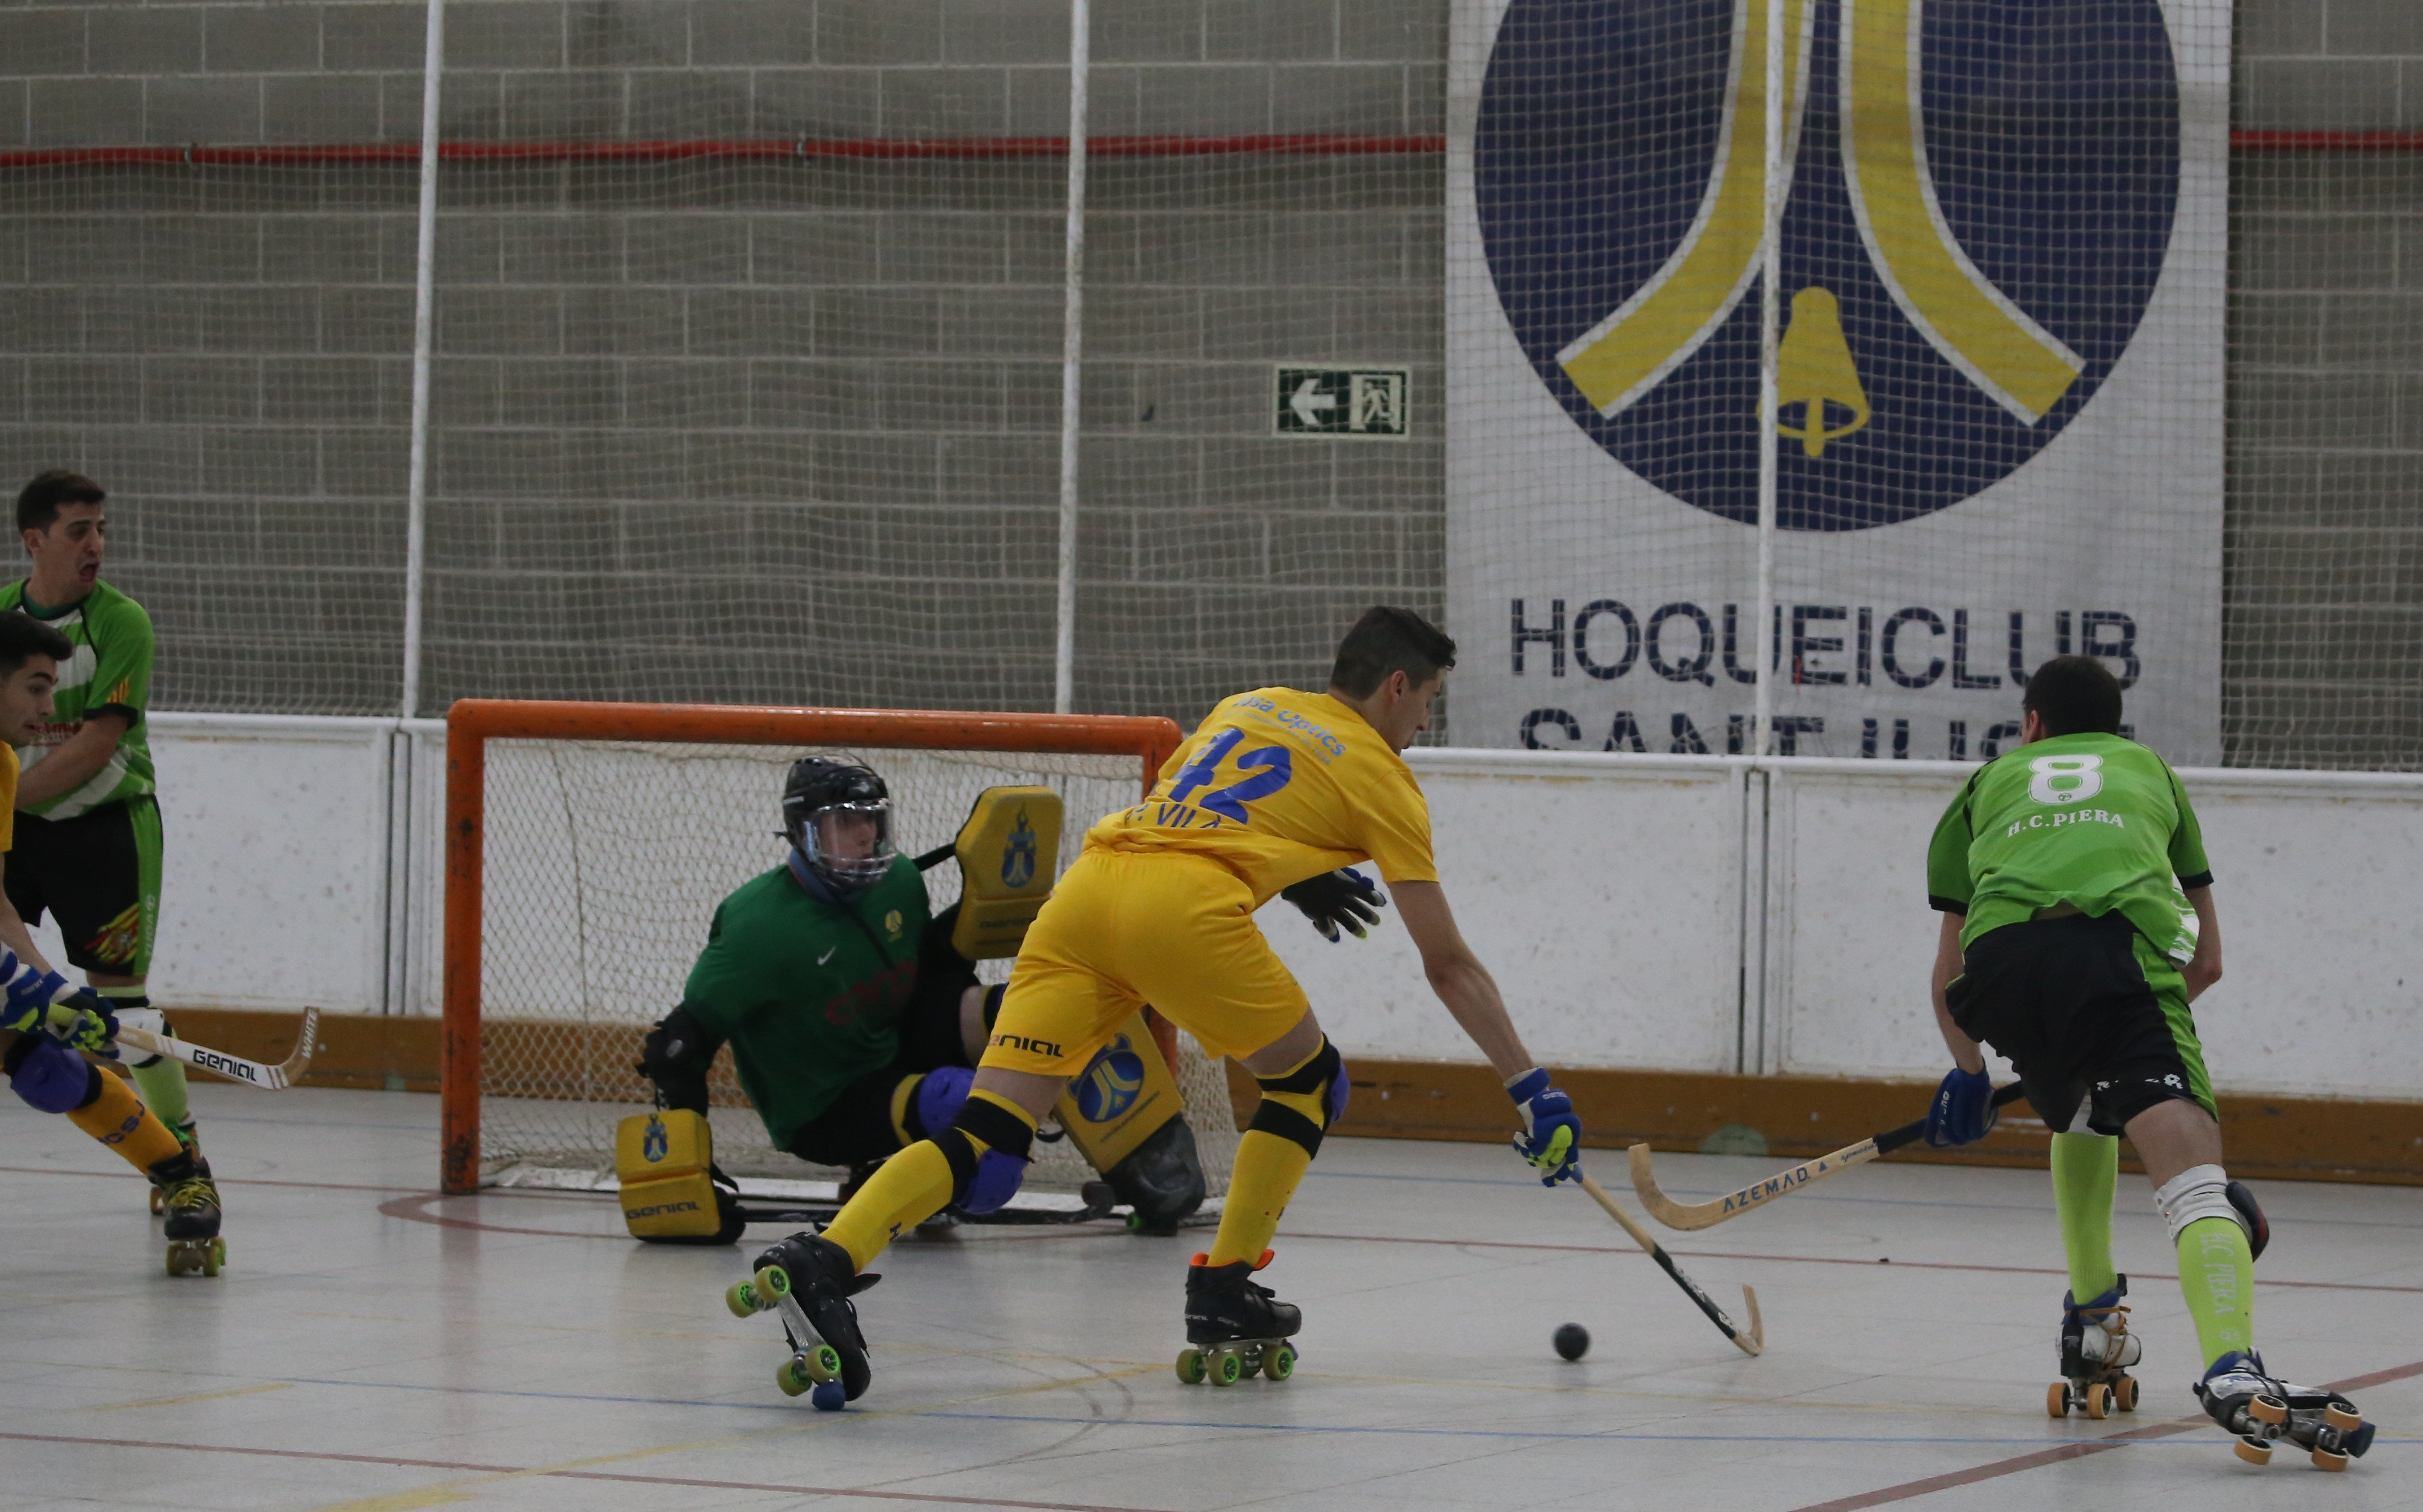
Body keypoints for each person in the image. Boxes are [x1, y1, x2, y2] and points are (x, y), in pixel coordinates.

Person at [741, 606, 1586, 1402]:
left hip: (1087, 894)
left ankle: (826, 1257)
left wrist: (1303, 877)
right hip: (1180, 912)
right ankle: (1224, 1287)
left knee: (986, 1129)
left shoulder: (1249, 705)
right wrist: (1530, 1086)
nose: (1425, 721)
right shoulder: (1385, 777)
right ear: (1396, 687)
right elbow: (1448, 964)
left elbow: (1199, 810)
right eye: (1429, 699)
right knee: (1308, 1082)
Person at [1921, 654, 2370, 1467]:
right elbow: (2207, 963)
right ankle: (2232, 1366)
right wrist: (2131, 1039)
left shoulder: (1985, 783)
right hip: (2118, 962)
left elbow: (1950, 979)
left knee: (2080, 1117)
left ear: (2031, 726)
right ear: (2116, 730)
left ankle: (2092, 1324)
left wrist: (1969, 1074)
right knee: (2194, 1182)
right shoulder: (2152, 771)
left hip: (2002, 970)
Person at [637, 757, 1206, 1241]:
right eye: (845, 822)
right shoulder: (757, 927)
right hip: (826, 1105)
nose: (865, 835)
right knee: (964, 1105)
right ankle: (917, 1182)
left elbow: (931, 973)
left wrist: (982, 916)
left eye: (872, 820)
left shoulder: (899, 881)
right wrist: (689, 1179)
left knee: (1062, 1007)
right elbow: (678, 1048)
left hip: (893, 1041)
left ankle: (1153, 1171)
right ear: (804, 831)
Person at [0, 610, 222, 1271]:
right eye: (36, 687)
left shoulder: (2, 766)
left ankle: (181, 1172)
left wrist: (55, 988)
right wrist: (22, 985)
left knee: (46, 1067)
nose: (51, 708)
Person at [0, 471, 194, 1215]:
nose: (97, 545)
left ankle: (182, 1158)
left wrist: (3, 806)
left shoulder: (122, 623)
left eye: (101, 530)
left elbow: (95, 744)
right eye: (79, 531)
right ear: (35, 539)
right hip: (14, 829)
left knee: (125, 1012)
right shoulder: (3, 625)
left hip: (104, 831)